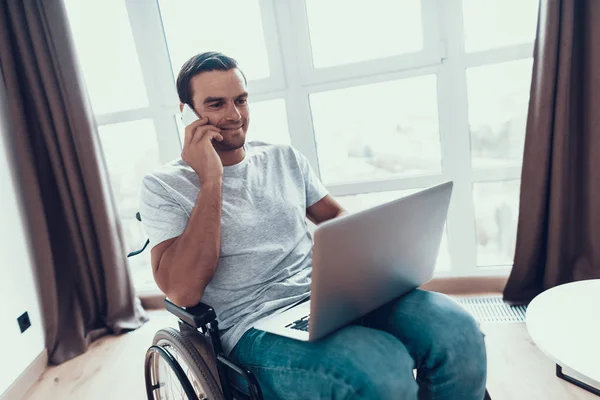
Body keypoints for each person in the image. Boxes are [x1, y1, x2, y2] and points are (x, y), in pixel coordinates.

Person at [140, 51, 487, 399]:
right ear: (186, 111)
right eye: (216, 104)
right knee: (381, 369)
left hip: (328, 299)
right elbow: (182, 291)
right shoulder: (163, 185)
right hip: (254, 326)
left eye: (241, 100)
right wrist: (211, 179)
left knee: (457, 331)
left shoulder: (283, 158)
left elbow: (335, 217)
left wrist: (363, 246)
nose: (234, 116)